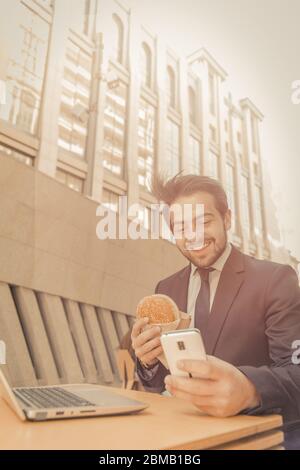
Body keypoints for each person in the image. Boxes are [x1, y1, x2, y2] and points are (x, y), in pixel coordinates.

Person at [131, 172, 300, 450]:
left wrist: (249, 390)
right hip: (179, 434)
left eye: (203, 221)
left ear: (227, 219)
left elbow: (296, 371)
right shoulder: (166, 288)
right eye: (181, 227)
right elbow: (162, 381)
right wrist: (148, 361)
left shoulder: (275, 279)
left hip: (255, 437)